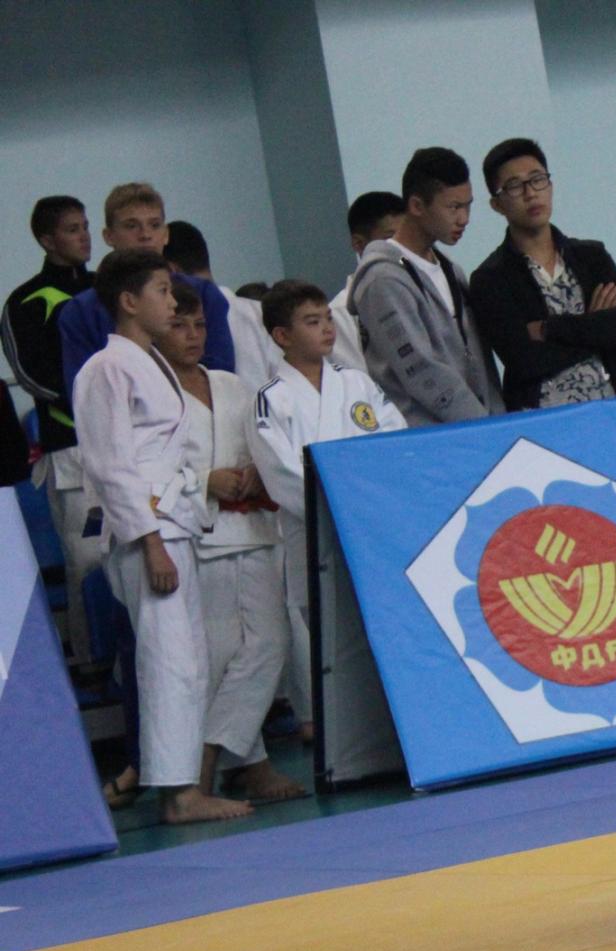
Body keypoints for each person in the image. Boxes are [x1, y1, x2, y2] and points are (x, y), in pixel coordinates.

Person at [73, 249, 250, 824]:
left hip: (172, 520)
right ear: (128, 301)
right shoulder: (106, 368)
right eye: (161, 290)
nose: (172, 302)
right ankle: (178, 794)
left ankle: (179, 785)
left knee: (187, 658)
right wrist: (148, 540)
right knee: (169, 660)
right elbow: (111, 465)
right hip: (146, 528)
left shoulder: (148, 363)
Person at [160, 282, 301, 803]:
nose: (193, 335)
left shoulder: (235, 385)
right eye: (179, 325)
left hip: (254, 529)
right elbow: (141, 471)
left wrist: (257, 476)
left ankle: (210, 756)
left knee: (270, 643)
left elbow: (266, 448)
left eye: (199, 325)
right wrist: (203, 482)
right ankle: (248, 764)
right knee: (219, 658)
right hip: (198, 533)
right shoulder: (150, 393)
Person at [249, 279, 406, 737]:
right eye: (311, 321)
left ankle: (393, 732)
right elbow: (280, 473)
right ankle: (348, 739)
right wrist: (338, 506)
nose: (326, 329)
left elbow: (390, 442)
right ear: (282, 336)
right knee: (329, 639)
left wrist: (368, 503)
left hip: (370, 528)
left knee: (382, 628)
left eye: (327, 319)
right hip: (314, 531)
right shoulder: (270, 399)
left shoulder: (356, 383)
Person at [469, 137, 616, 411]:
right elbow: (523, 360)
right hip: (542, 420)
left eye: (538, 179)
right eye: (514, 186)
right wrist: (594, 326)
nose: (531, 193)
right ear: (497, 204)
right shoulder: (490, 278)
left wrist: (549, 329)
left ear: (550, 185)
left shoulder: (591, 256)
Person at [5, 195, 97, 662]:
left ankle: (120, 656)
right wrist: (89, 403)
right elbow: (29, 374)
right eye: (72, 229)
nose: (84, 236)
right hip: (70, 450)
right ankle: (88, 659)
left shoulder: (108, 289)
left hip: (126, 447)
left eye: (85, 226)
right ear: (46, 239)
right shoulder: (24, 300)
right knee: (85, 560)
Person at [353, 147, 504, 425]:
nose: (464, 218)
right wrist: (484, 425)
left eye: (468, 205)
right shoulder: (383, 279)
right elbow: (421, 369)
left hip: (478, 429)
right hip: (428, 438)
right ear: (417, 206)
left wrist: (497, 419)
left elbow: (481, 361)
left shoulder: (451, 270)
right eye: (454, 207)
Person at [59, 184, 235, 398]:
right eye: (131, 226)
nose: (145, 235)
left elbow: (220, 372)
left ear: (166, 234)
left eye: (154, 225)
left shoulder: (204, 294)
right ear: (109, 236)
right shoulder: (81, 311)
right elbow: (84, 391)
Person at [163, 221, 277, 394]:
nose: (193, 333)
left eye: (200, 324)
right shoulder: (261, 311)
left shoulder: (167, 319)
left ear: (171, 271)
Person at [331, 191, 404, 374]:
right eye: (390, 239)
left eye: (406, 238)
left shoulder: (425, 290)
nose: (402, 249)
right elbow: (356, 381)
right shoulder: (340, 313)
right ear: (358, 243)